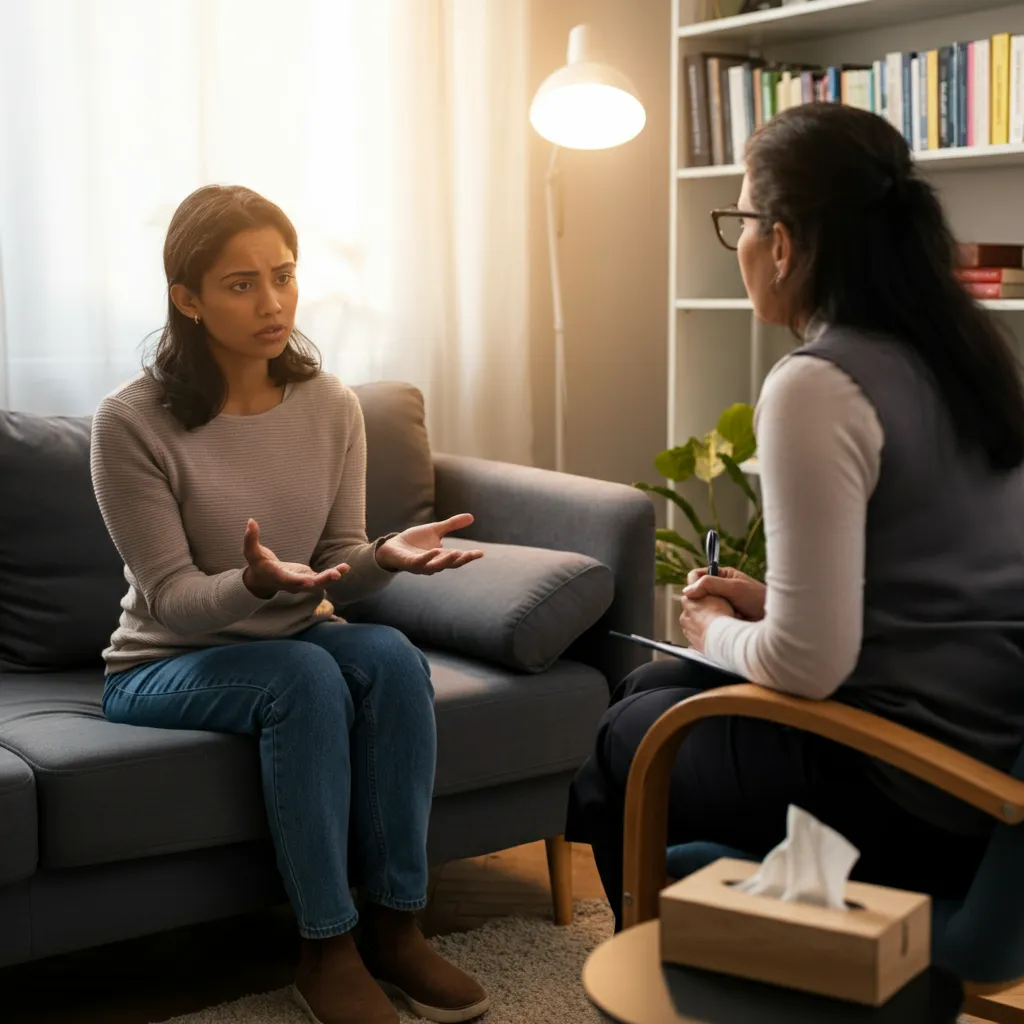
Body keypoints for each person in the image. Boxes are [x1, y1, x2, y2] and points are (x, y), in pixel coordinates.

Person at [567, 102, 1024, 931]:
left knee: (626, 741)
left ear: (781, 242)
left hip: (913, 790)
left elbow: (809, 668)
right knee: (650, 686)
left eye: (740, 218)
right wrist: (772, 605)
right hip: (987, 756)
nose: (738, 246)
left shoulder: (818, 384)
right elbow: (937, 592)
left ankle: (678, 976)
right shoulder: (964, 357)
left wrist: (710, 629)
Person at [91, 185, 490, 1024]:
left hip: (292, 637)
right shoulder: (131, 424)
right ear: (187, 298)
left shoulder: (330, 405)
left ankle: (396, 922)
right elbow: (169, 597)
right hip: (164, 662)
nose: (273, 303)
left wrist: (382, 557)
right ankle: (327, 947)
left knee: (385, 656)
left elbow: (339, 560)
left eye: (283, 275)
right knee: (303, 676)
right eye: (241, 284)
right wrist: (255, 583)